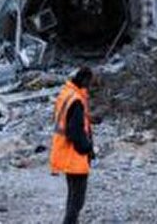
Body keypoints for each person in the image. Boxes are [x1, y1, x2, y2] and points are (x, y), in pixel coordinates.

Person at [50, 67, 95, 224]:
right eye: (89, 81)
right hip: (74, 155)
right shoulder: (76, 100)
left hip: (64, 151)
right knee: (77, 200)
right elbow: (74, 130)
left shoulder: (66, 94)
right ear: (83, 80)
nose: (90, 85)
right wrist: (87, 147)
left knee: (72, 196)